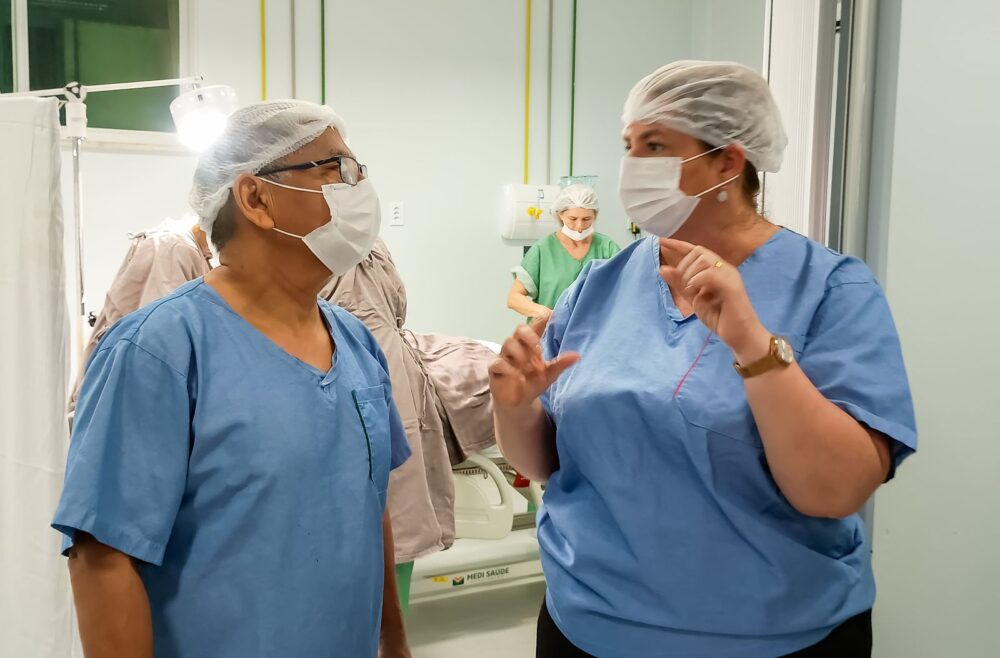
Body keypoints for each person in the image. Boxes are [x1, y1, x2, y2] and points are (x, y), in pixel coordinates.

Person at [490, 61, 917, 658]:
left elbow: (835, 490)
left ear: (727, 162)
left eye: (655, 146)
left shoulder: (830, 289)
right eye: (629, 145)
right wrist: (514, 407)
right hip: (587, 625)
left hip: (773, 636)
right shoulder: (598, 286)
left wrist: (753, 345)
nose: (632, 165)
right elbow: (551, 460)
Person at [52, 100, 412, 658]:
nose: (358, 187)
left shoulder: (355, 342)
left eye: (358, 171)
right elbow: (104, 555)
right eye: (334, 169)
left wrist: (393, 641)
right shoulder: (159, 350)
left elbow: (369, 505)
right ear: (256, 198)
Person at [67, 216, 213, 424]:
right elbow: (159, 353)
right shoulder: (173, 248)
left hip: (133, 410)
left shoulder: (189, 248)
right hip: (129, 413)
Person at [507, 184, 620, 322]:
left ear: (595, 216)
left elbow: (625, 291)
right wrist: (543, 313)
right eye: (573, 219)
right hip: (548, 331)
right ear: (560, 214)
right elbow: (514, 298)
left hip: (593, 332)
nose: (579, 227)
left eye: (586, 219)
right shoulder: (543, 250)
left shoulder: (607, 248)